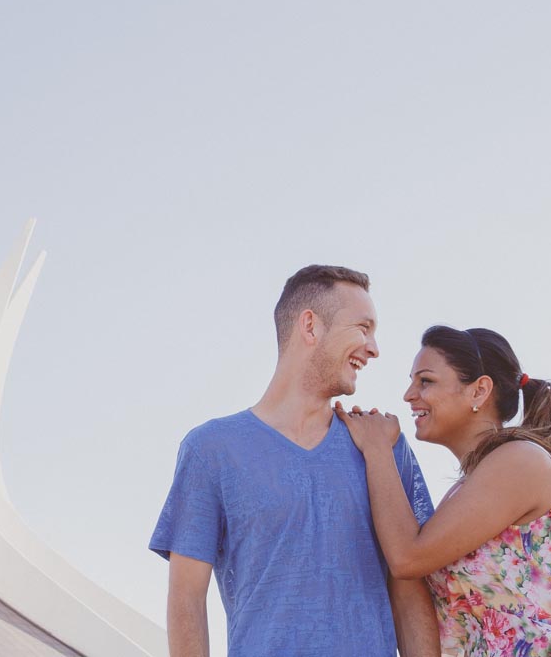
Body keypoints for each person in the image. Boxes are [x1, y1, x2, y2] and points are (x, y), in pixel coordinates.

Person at [149, 264, 440, 657]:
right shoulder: (211, 449)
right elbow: (185, 598)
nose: (374, 349)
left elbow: (411, 590)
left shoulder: (383, 447)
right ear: (310, 326)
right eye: (363, 328)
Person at [340, 326, 551, 655]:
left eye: (426, 381)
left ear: (479, 391)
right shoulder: (466, 488)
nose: (409, 395)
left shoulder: (520, 460)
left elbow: (407, 559)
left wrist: (377, 448)